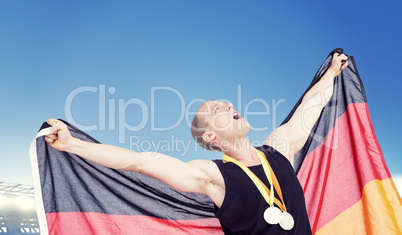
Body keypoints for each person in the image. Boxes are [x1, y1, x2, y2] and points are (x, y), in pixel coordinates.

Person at [45, 52, 349, 234]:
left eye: (227, 104)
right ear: (210, 137)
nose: (228, 106)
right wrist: (73, 144)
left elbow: (312, 107)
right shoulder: (213, 177)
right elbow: (140, 161)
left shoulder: (278, 147)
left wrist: (333, 73)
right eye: (217, 109)